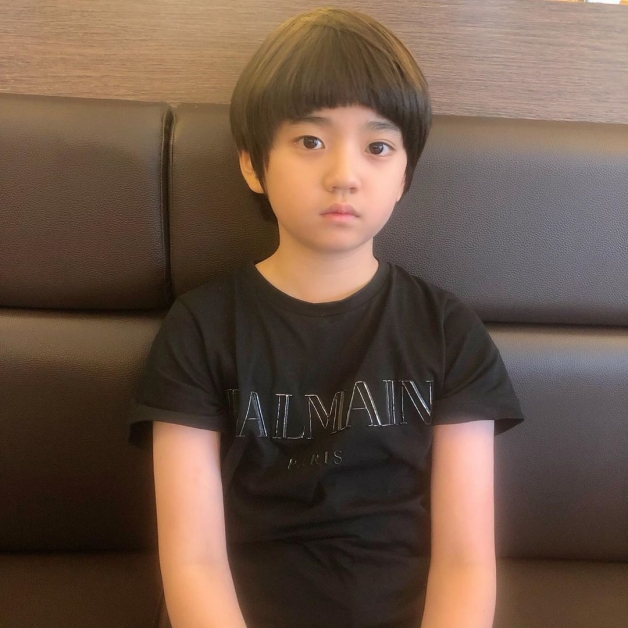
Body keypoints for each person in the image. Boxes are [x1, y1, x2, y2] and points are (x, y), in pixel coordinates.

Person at [128, 7, 524, 628]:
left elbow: (465, 560)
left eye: (377, 147)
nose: (344, 176)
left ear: (405, 174)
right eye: (310, 141)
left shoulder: (450, 331)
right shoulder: (199, 329)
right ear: (252, 164)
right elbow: (193, 560)